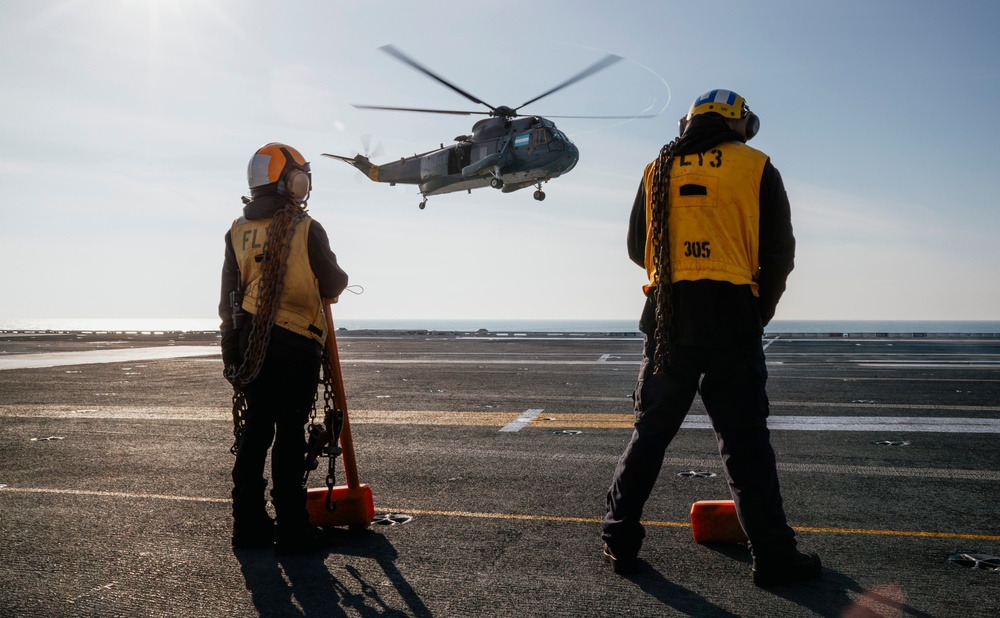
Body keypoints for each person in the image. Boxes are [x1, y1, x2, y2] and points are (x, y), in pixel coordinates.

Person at [601, 90, 821, 587]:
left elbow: (640, 248)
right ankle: (773, 558)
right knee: (745, 444)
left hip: (667, 317)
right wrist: (755, 312)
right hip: (733, 318)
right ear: (740, 123)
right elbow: (779, 255)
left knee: (650, 434)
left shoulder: (656, 168)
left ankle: (620, 540)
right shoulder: (757, 166)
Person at [219, 142, 349, 554]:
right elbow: (333, 283)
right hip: (295, 341)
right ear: (290, 180)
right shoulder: (306, 227)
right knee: (290, 433)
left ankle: (249, 525)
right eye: (302, 175)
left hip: (249, 341)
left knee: (256, 430)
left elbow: (228, 299)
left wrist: (231, 347)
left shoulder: (237, 229)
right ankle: (293, 528)